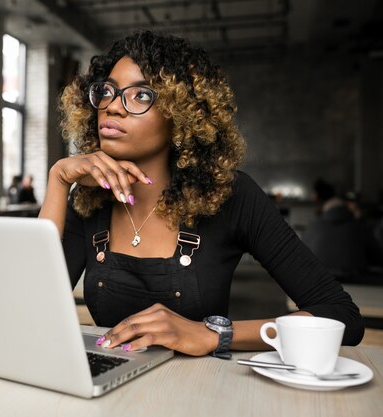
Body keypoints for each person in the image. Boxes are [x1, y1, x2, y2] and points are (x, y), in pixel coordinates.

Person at [38, 31, 363, 357]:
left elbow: (341, 316)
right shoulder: (89, 200)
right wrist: (58, 179)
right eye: (107, 91)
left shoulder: (232, 197)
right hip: (112, 392)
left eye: (140, 96)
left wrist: (213, 334)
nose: (112, 108)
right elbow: (33, 308)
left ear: (180, 116)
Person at [302, 180, 383, 281]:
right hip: (356, 287)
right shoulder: (359, 227)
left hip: (315, 286)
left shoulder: (311, 227)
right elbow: (378, 258)